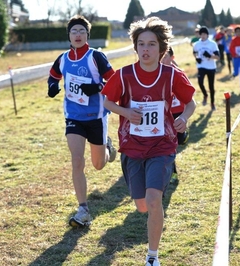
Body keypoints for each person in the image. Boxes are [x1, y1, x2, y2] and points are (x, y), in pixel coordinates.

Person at [102, 16, 196, 266]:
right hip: (132, 148)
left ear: (162, 49)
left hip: (162, 146)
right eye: (141, 44)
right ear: (135, 48)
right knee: (142, 206)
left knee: (154, 201)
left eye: (152, 44)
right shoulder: (123, 75)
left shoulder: (171, 75)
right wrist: (126, 112)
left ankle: (152, 257)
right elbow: (107, 102)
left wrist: (184, 118)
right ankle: (147, 219)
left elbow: (190, 102)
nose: (146, 49)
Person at [47, 15, 117, 228]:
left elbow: (113, 81)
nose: (78, 35)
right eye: (74, 31)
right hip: (73, 116)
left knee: (98, 165)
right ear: (68, 35)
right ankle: (83, 209)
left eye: (81, 31)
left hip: (96, 117)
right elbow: (53, 76)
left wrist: (96, 87)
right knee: (77, 160)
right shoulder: (63, 59)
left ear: (87, 34)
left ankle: (107, 146)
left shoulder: (96, 56)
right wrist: (52, 86)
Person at [160, 46, 190, 184]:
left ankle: (184, 134)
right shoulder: (157, 73)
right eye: (161, 56)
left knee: (179, 139)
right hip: (165, 114)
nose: (162, 59)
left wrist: (184, 117)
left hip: (179, 111)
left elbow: (189, 97)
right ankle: (172, 172)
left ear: (172, 58)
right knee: (168, 144)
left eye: (165, 56)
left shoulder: (178, 74)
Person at [193, 26, 220, 110]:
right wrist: (197, 58)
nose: (203, 35)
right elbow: (194, 53)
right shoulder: (196, 44)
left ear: (207, 35)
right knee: (200, 82)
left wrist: (210, 56)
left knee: (211, 86)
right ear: (200, 35)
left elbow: (218, 57)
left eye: (205, 34)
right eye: (202, 34)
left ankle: (212, 103)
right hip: (201, 66)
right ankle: (205, 94)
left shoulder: (212, 44)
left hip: (211, 67)